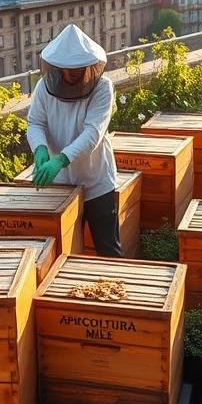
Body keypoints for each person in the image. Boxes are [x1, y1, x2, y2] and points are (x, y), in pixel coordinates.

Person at [27, 24, 121, 257]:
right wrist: (39, 149)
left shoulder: (103, 88)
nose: (71, 74)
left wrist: (60, 159)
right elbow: (35, 123)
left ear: (88, 65)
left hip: (96, 182)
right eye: (65, 69)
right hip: (60, 185)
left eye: (76, 69)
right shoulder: (43, 87)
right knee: (62, 254)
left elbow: (93, 134)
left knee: (108, 249)